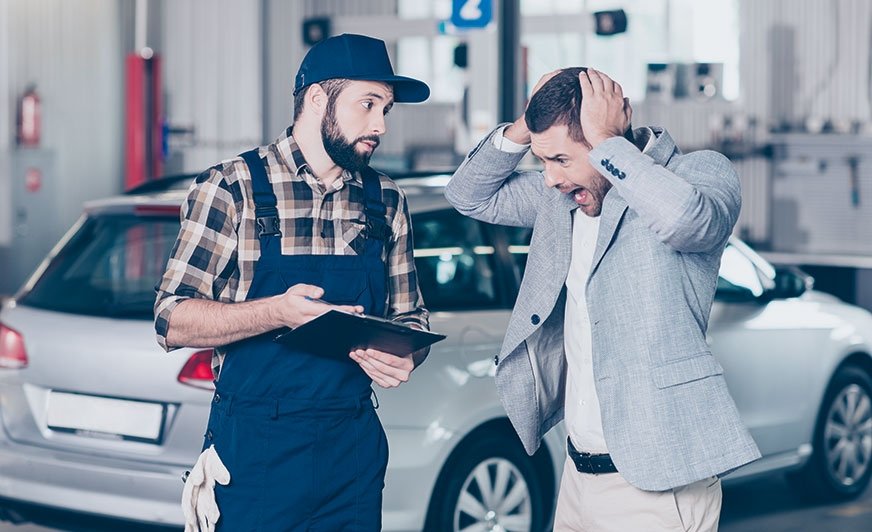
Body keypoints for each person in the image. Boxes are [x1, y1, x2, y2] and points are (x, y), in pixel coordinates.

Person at [445, 67, 761, 531]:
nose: (550, 178)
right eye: (543, 161)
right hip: (577, 476)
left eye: (561, 159)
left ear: (606, 138)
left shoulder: (696, 173)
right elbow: (467, 196)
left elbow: (689, 223)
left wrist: (608, 141)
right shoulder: (563, 198)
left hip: (657, 484)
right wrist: (526, 125)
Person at [154, 34, 431, 532]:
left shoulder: (386, 199)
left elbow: (411, 316)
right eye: (367, 105)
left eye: (385, 109)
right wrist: (276, 311)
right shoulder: (231, 187)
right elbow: (171, 318)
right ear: (317, 99)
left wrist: (405, 351)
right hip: (255, 449)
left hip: (352, 447)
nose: (380, 125)